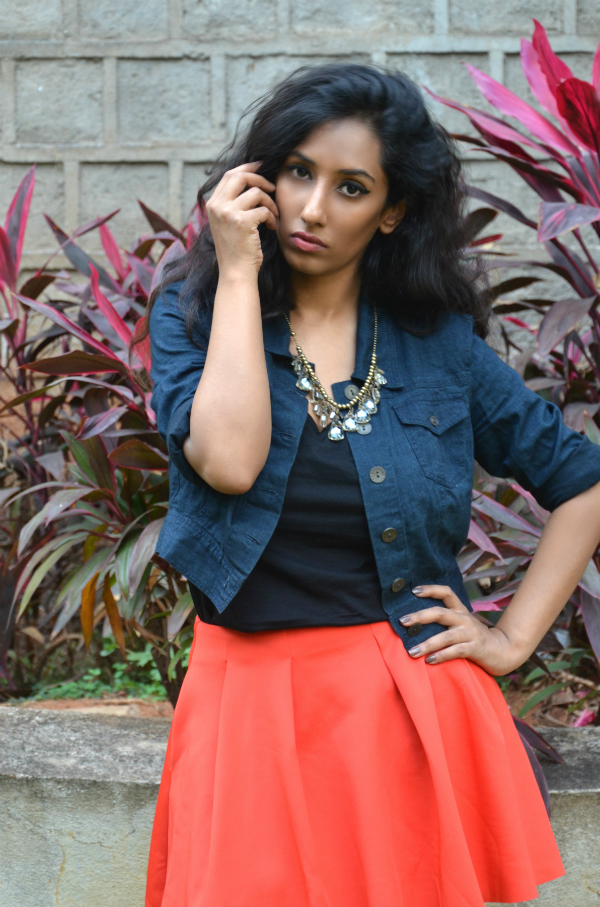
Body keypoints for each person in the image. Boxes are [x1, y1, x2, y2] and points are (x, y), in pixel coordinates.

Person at [143, 64, 600, 907]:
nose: (313, 208)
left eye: (351, 187)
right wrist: (239, 274)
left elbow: (583, 484)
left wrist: (509, 640)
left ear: (391, 212)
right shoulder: (193, 317)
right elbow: (229, 460)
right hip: (246, 706)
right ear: (263, 178)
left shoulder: (438, 346)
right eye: (299, 173)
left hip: (407, 710)